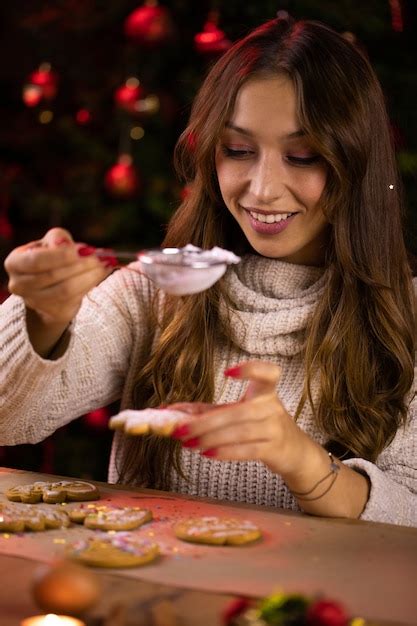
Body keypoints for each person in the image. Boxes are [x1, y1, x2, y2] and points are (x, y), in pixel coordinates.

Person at [1, 15, 416, 527]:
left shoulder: (407, 317)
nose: (262, 190)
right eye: (238, 151)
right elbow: (9, 419)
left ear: (356, 162)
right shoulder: (156, 294)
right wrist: (42, 317)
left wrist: (304, 463)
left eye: (303, 156)